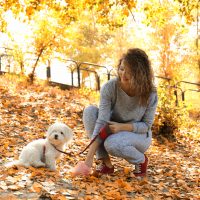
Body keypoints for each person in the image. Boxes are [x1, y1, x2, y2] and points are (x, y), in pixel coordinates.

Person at [72, 48, 158, 177]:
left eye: (129, 72)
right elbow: (102, 121)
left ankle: (141, 160)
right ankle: (106, 164)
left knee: (112, 144)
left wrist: (121, 127)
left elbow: (146, 126)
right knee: (90, 111)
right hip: (112, 128)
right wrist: (88, 159)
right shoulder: (110, 87)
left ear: (140, 73)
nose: (123, 75)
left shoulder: (150, 93)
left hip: (138, 134)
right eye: (122, 69)